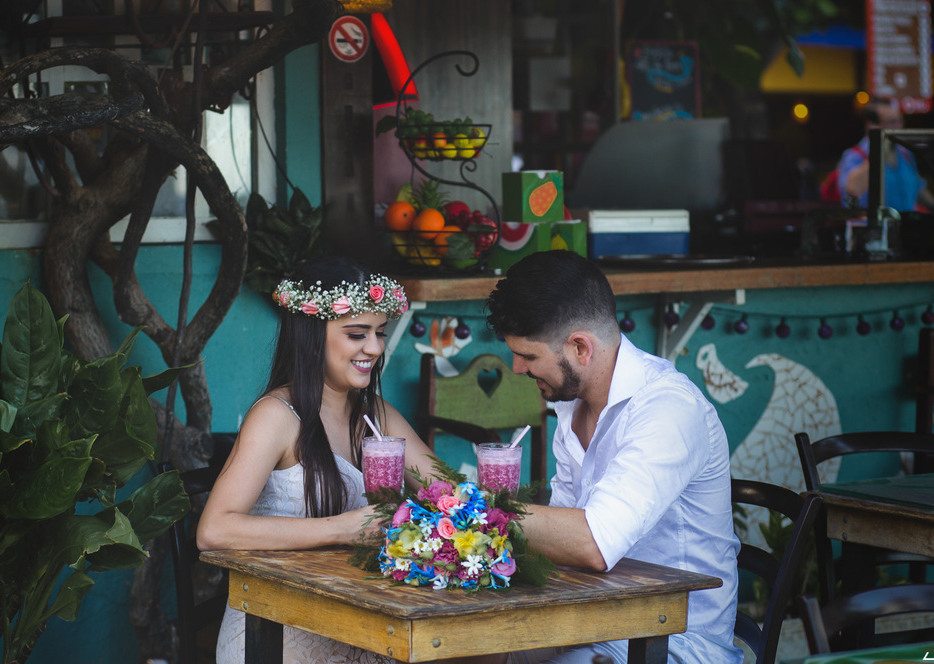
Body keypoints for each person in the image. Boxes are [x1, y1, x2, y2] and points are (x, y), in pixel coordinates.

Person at [484, 251, 741, 664]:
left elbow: (592, 544)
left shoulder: (668, 409)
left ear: (580, 348)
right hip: (592, 619)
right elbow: (561, 539)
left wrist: (472, 514)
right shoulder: (571, 405)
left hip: (674, 639)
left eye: (529, 356)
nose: (516, 368)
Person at [198, 257, 449, 664]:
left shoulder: (377, 416)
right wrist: (342, 529)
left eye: (380, 333)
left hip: (362, 621)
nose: (375, 347)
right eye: (357, 334)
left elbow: (450, 494)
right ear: (312, 334)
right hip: (277, 630)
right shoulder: (276, 417)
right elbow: (213, 530)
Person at [837, 96, 933, 211]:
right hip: (872, 227)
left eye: (899, 121)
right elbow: (852, 189)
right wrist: (878, 150)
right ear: (872, 125)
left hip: (905, 224)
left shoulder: (904, 154)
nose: (898, 127)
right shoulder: (855, 155)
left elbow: (918, 189)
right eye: (891, 122)